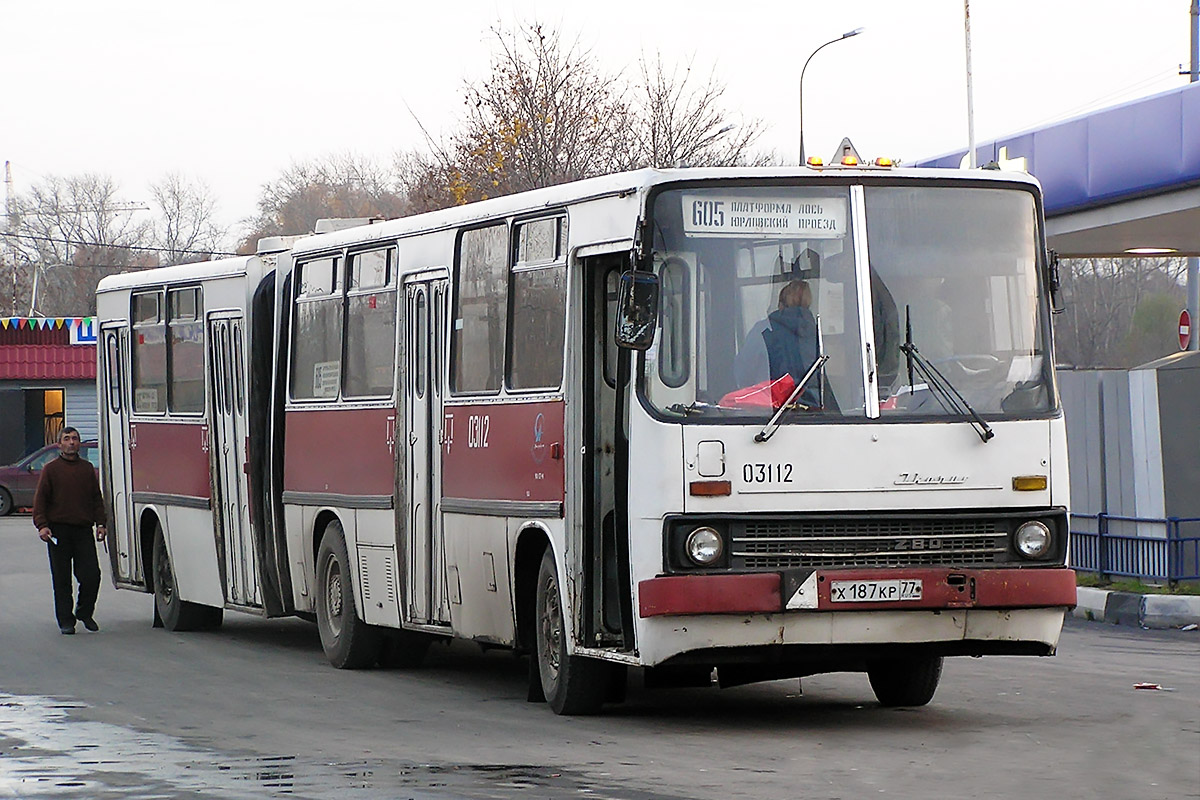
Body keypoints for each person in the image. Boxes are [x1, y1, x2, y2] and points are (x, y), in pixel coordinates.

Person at [32, 427, 107, 635]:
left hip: (83, 530)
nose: (71, 442)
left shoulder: (87, 469)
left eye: (75, 439)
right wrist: (42, 525)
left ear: (79, 443)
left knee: (92, 575)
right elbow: (40, 501)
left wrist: (101, 523)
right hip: (58, 531)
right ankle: (66, 620)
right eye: (67, 439)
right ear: (59, 444)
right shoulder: (51, 469)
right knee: (62, 579)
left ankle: (84, 611)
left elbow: (96, 499)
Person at [735, 280, 819, 404]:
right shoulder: (817, 334)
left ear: (780, 305)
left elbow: (743, 374)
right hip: (814, 411)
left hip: (771, 411)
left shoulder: (763, 329)